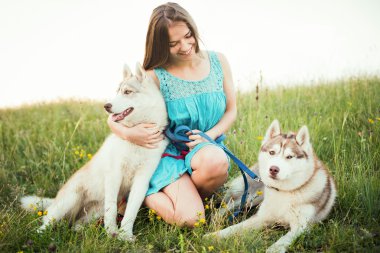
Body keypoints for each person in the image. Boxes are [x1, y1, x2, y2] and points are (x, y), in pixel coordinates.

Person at [107, 2, 236, 227]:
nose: (185, 46)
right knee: (192, 220)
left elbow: (231, 110)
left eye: (188, 36)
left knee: (216, 162)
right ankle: (145, 194)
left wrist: (209, 135)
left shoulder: (218, 61)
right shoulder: (154, 75)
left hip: (203, 146)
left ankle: (186, 196)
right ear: (161, 45)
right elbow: (114, 115)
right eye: (173, 43)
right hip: (165, 153)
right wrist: (131, 134)